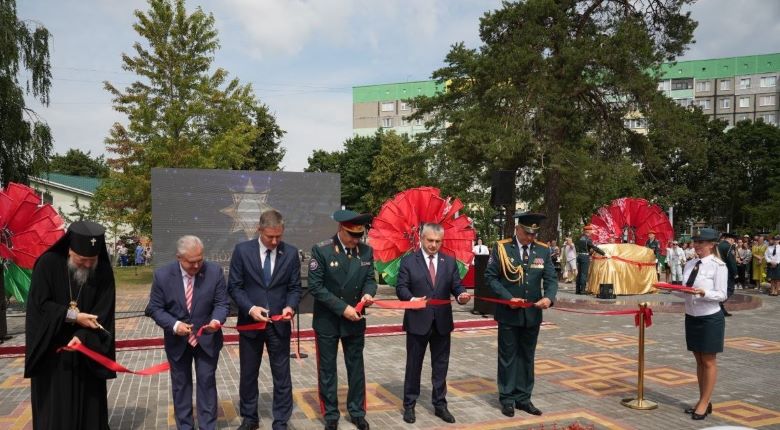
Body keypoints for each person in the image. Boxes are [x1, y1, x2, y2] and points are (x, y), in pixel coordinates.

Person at [24, 221, 116, 430]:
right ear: (69, 250)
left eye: (91, 260)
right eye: (81, 259)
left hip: (87, 349)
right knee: (57, 409)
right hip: (53, 351)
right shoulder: (48, 263)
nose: (86, 265)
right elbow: (40, 305)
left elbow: (105, 309)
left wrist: (83, 335)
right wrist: (73, 316)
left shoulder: (101, 269)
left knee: (89, 406)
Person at [146, 235, 229, 430]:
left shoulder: (214, 272)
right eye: (191, 262)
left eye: (200, 259)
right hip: (177, 342)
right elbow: (155, 308)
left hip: (207, 339)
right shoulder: (162, 275)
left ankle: (208, 426)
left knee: (207, 383)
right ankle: (185, 426)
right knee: (181, 385)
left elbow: (222, 303)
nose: (197, 265)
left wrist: (216, 321)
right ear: (179, 258)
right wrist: (175, 325)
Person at [228, 209, 302, 430]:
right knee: (249, 373)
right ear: (259, 230)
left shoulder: (290, 253)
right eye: (270, 236)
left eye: (279, 236)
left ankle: (281, 420)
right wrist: (250, 308)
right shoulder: (242, 251)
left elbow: (295, 287)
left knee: (282, 375)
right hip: (251, 323)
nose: (275, 241)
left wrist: (290, 306)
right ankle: (250, 417)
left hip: (279, 324)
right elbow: (235, 286)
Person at [395, 223, 471, 424]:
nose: (433, 245)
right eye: (430, 240)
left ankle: (440, 405)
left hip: (442, 323)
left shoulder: (449, 262)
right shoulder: (409, 261)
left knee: (440, 366)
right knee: (414, 365)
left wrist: (461, 295)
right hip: (417, 321)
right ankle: (409, 405)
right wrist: (411, 299)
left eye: (438, 241)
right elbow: (401, 287)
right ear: (421, 238)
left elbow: (456, 285)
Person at [308, 210, 377, 430]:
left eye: (359, 235)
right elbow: (316, 288)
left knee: (356, 367)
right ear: (341, 229)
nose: (355, 240)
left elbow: (370, 280)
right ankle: (330, 414)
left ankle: (357, 411)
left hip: (355, 319)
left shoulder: (366, 251)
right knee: (327, 369)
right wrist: (342, 308)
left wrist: (368, 294)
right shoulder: (322, 250)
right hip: (328, 320)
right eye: (351, 235)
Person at [484, 212, 558, 417]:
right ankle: (507, 398)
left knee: (527, 356)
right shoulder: (501, 248)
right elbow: (490, 278)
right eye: (527, 233)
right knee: (508, 357)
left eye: (534, 234)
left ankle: (524, 398)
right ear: (518, 229)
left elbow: (551, 278)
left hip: (532, 314)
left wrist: (549, 297)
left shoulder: (543, 251)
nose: (531, 237)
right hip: (509, 313)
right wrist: (508, 298)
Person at [671, 228, 727, 421]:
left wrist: (704, 293)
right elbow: (686, 290)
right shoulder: (690, 264)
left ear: (711, 245)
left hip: (710, 317)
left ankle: (704, 402)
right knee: (699, 360)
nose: (696, 246)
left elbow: (722, 294)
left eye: (701, 243)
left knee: (709, 361)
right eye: (695, 242)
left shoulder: (718, 266)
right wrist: (672, 289)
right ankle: (703, 399)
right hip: (692, 316)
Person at [574, 225, 605, 294]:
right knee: (583, 274)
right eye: (591, 230)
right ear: (588, 231)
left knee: (579, 274)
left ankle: (577, 290)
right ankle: (582, 290)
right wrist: (604, 253)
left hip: (579, 256)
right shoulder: (588, 239)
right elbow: (594, 248)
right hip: (585, 257)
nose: (592, 232)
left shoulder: (580, 238)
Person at [717, 233, 738, 317]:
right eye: (734, 241)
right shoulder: (729, 247)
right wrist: (735, 273)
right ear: (731, 239)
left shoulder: (718, 245)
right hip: (727, 271)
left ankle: (721, 309)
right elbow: (731, 261)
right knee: (729, 289)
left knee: (721, 289)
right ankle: (718, 303)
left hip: (718, 270)